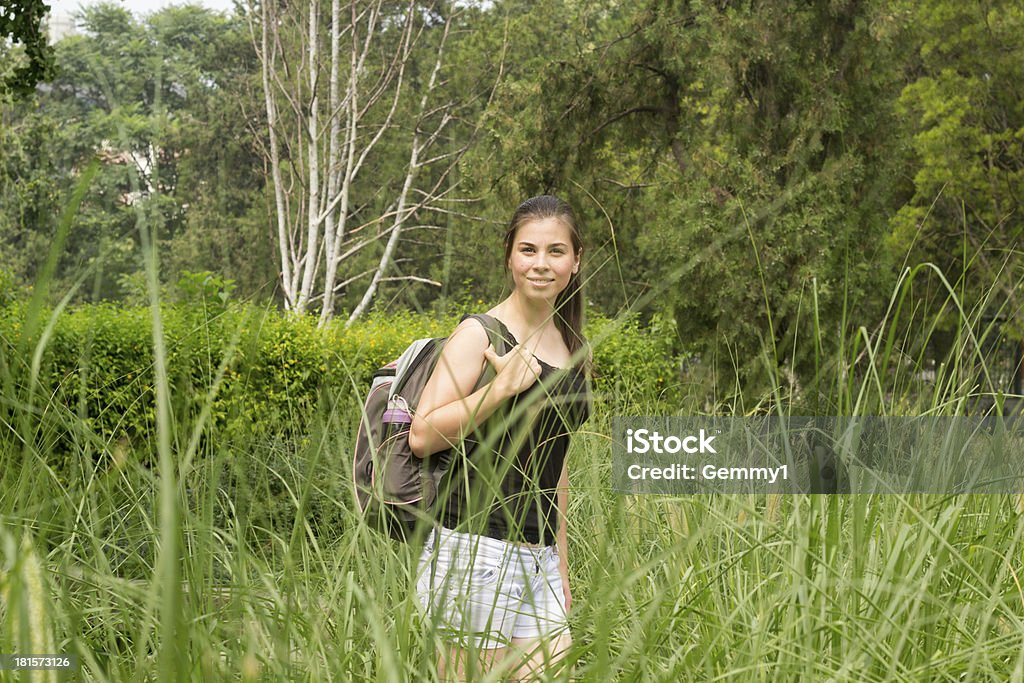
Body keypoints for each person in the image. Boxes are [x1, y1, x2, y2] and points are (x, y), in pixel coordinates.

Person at [409, 195, 592, 681]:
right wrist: (502, 389)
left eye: (556, 252)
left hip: (540, 560)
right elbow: (422, 434)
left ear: (575, 262)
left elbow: (557, 464)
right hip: (473, 549)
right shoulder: (480, 334)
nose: (541, 264)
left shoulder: (575, 350)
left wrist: (561, 565)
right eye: (528, 250)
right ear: (510, 256)